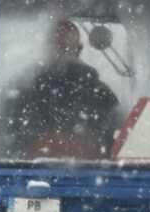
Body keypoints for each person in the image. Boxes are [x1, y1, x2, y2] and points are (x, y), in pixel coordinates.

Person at [7, 19, 120, 160]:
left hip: (85, 178)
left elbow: (115, 149)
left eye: (65, 43)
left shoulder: (101, 95)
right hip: (29, 177)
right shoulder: (23, 93)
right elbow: (6, 147)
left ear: (78, 48)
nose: (59, 48)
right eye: (56, 42)